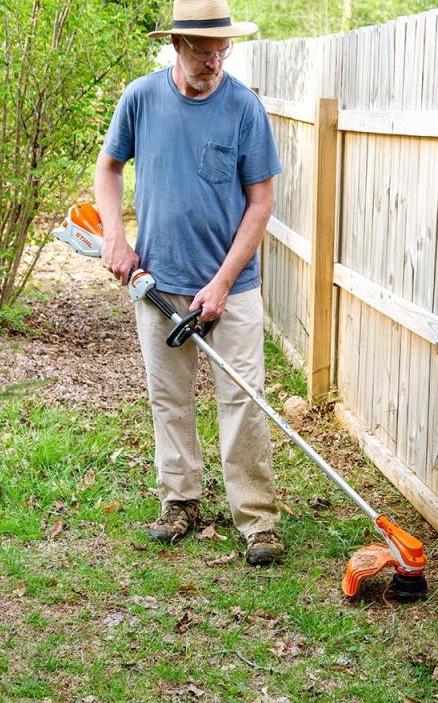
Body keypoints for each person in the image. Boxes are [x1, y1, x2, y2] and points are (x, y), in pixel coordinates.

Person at [93, 0, 284, 565]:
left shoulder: (245, 107)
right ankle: (181, 501)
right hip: (158, 282)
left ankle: (256, 519)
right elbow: (108, 167)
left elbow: (261, 202)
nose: (216, 62)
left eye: (223, 50)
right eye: (204, 52)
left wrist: (222, 283)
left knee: (243, 399)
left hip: (233, 287)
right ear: (177, 46)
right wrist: (114, 235)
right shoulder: (142, 98)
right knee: (169, 398)